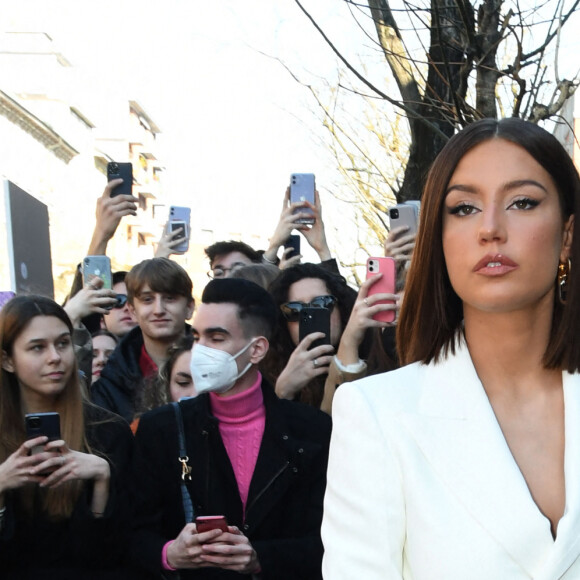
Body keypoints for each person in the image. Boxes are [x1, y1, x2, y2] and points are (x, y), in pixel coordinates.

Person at [321, 118, 580, 579]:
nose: (491, 229)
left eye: (522, 202)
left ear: (566, 235)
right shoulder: (376, 415)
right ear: (438, 239)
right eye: (463, 208)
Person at [129, 278, 331, 579]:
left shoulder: (313, 430)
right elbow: (129, 534)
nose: (200, 350)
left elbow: (329, 539)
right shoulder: (162, 429)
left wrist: (261, 558)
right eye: (197, 336)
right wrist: (170, 553)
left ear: (257, 349)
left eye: (217, 337)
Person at [0, 295, 134, 579]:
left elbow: (114, 555)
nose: (55, 357)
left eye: (63, 343)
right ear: (7, 360)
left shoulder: (108, 429)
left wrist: (101, 481)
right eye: (37, 347)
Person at [264, 263, 397, 412]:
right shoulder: (266, 377)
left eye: (322, 304)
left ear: (342, 309)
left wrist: (349, 343)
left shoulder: (380, 356)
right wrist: (283, 393)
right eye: (295, 309)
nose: (310, 315)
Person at [91, 257, 194, 423]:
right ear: (132, 311)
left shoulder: (214, 362)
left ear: (189, 308)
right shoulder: (110, 384)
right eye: (147, 299)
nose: (158, 310)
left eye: (170, 298)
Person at [131, 334, 195, 433]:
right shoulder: (141, 431)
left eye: (206, 383)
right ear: (166, 384)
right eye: (183, 383)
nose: (195, 394)